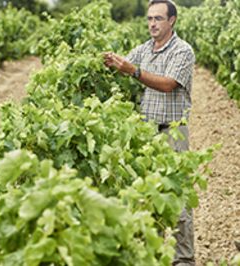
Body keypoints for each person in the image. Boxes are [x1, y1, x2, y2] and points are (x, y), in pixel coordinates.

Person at [103, 0, 195, 265]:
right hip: (145, 134)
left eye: (158, 18)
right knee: (146, 195)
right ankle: (151, 255)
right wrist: (110, 63)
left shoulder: (182, 51)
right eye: (149, 19)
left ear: (172, 21)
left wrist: (133, 71)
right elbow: (124, 66)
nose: (152, 24)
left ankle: (184, 259)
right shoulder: (144, 49)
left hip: (172, 133)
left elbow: (167, 84)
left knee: (178, 198)